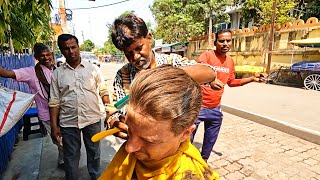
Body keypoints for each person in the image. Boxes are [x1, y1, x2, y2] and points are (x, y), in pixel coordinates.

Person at [99, 65, 219, 180]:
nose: (129, 148)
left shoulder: (190, 175)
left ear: (185, 133)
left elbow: (209, 71)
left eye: (148, 141)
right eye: (130, 131)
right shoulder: (134, 151)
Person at [106, 14, 217, 137]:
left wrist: (163, 76)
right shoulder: (123, 75)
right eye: (128, 53)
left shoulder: (171, 62)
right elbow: (115, 112)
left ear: (149, 37)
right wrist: (115, 123)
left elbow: (210, 72)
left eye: (139, 48)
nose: (136, 56)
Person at [190, 29, 268, 162]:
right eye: (221, 41)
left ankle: (203, 163)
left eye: (228, 40)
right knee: (185, 141)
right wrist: (210, 80)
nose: (225, 43)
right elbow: (197, 74)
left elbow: (231, 82)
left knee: (209, 141)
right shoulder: (207, 56)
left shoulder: (230, 61)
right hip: (198, 107)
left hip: (215, 108)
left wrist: (252, 79)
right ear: (215, 42)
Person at [48, 34, 110, 180]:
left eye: (73, 47)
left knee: (94, 152)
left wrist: (109, 111)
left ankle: (96, 176)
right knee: (70, 155)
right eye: (66, 49)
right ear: (61, 51)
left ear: (78, 47)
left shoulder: (93, 69)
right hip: (68, 121)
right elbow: (54, 101)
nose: (71, 51)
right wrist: (54, 126)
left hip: (92, 118)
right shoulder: (57, 74)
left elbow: (103, 90)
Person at [0, 43, 64, 168]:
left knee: (67, 140)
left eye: (48, 55)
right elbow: (6, 73)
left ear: (52, 55)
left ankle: (63, 159)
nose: (46, 58)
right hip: (47, 115)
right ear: (36, 57)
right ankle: (66, 162)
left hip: (64, 112)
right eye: (42, 56)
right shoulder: (30, 72)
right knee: (60, 140)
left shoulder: (58, 70)